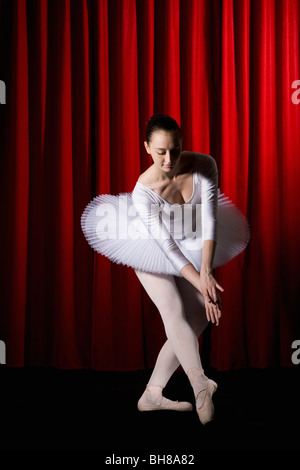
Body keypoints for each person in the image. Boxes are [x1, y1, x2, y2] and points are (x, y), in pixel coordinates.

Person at [81, 113, 250, 425]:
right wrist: (200, 281)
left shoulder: (204, 164)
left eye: (176, 149)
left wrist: (207, 275)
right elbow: (168, 251)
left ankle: (152, 395)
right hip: (150, 244)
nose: (169, 159)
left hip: (190, 235)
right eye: (160, 152)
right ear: (147, 147)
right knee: (172, 308)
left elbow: (210, 220)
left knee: (200, 312)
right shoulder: (143, 191)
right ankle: (201, 385)